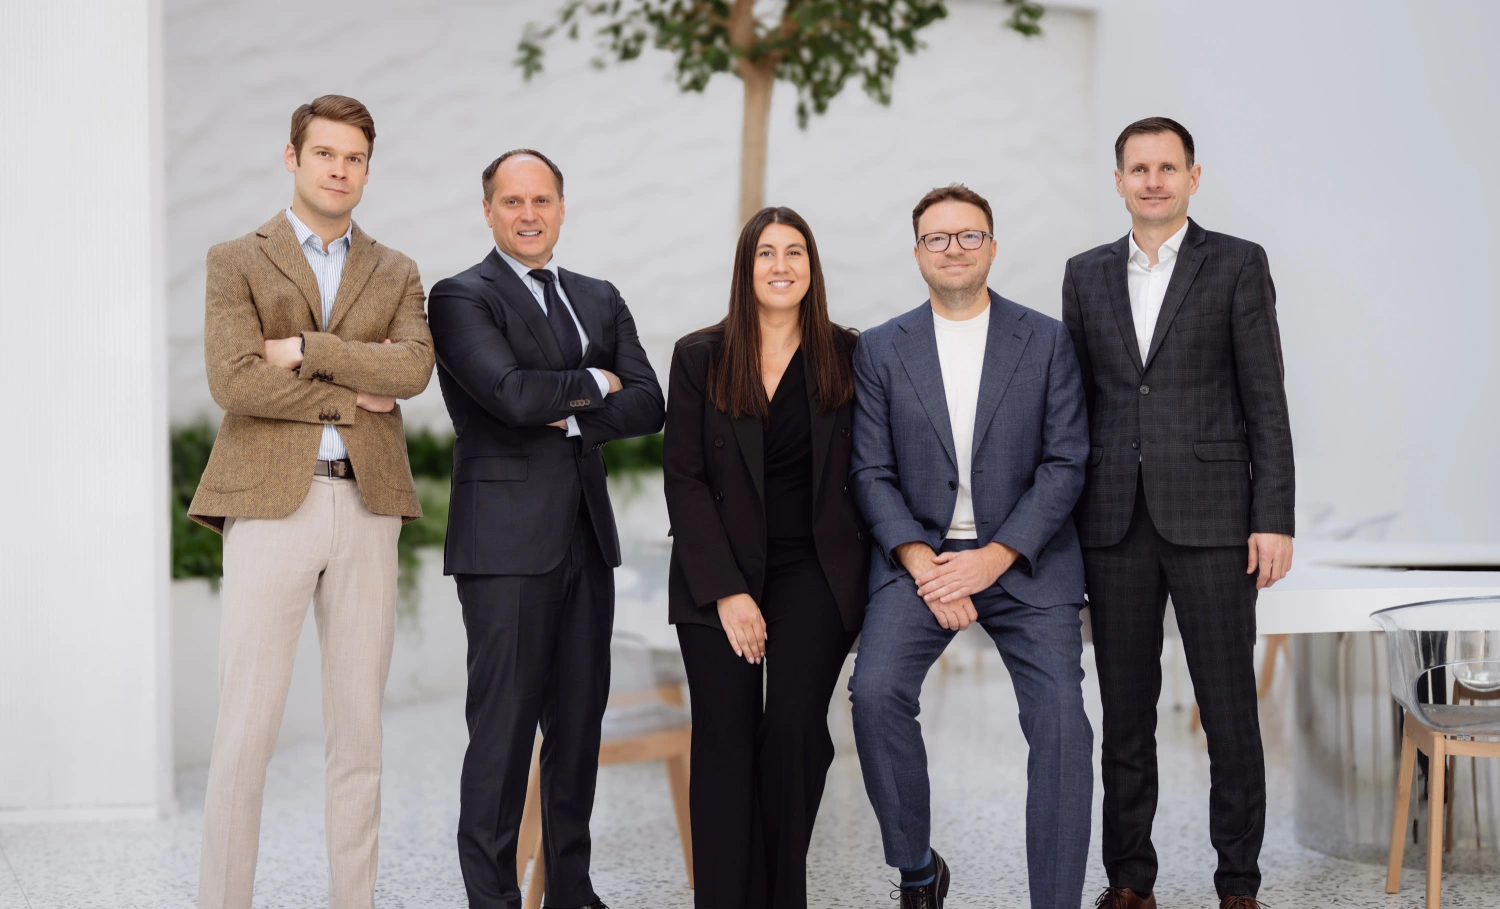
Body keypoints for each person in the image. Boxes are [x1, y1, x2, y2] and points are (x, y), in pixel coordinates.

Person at [189, 95, 435, 909]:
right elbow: (234, 378)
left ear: (367, 167)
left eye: (354, 157)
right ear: (292, 157)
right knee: (245, 734)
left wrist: (309, 353)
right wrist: (343, 394)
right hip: (268, 508)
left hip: (365, 509)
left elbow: (409, 373)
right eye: (325, 153)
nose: (340, 169)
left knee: (358, 735)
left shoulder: (396, 269)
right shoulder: (237, 259)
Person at [1061, 117, 1294, 909]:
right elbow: (1079, 405)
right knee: (1124, 716)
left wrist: (1275, 516)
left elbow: (1266, 397)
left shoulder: (1235, 264)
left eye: (1168, 166)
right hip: (1114, 524)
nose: (1153, 180)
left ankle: (1239, 883)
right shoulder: (1084, 275)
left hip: (1216, 520)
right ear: (1119, 180)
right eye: (1138, 167)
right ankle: (1129, 878)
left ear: (1195, 175)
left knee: (1228, 712)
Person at [428, 148, 665, 909]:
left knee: (577, 730)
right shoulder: (461, 296)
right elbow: (506, 394)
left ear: (563, 206)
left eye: (542, 200)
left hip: (585, 543)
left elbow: (650, 401)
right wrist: (596, 383)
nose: (528, 215)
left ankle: (571, 891)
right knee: (501, 734)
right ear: (489, 210)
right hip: (503, 546)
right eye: (512, 202)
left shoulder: (599, 296)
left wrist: (563, 410)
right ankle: (493, 899)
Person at [848, 184, 1093, 909]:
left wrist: (996, 555)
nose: (953, 248)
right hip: (919, 557)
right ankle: (918, 866)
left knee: (1060, 724)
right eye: (938, 237)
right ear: (917, 251)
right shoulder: (881, 348)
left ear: (991, 244)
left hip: (1026, 559)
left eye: (968, 235)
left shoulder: (1045, 339)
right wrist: (926, 566)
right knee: (874, 691)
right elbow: (870, 470)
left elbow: (1066, 461)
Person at [663, 207, 868, 909]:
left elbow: (871, 472)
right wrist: (725, 590)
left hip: (816, 568)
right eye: (766, 253)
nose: (781, 266)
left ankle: (782, 894)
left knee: (793, 729)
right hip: (716, 570)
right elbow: (684, 480)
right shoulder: (700, 356)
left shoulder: (848, 355)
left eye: (796, 252)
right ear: (745, 267)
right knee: (722, 734)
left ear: (812, 268)